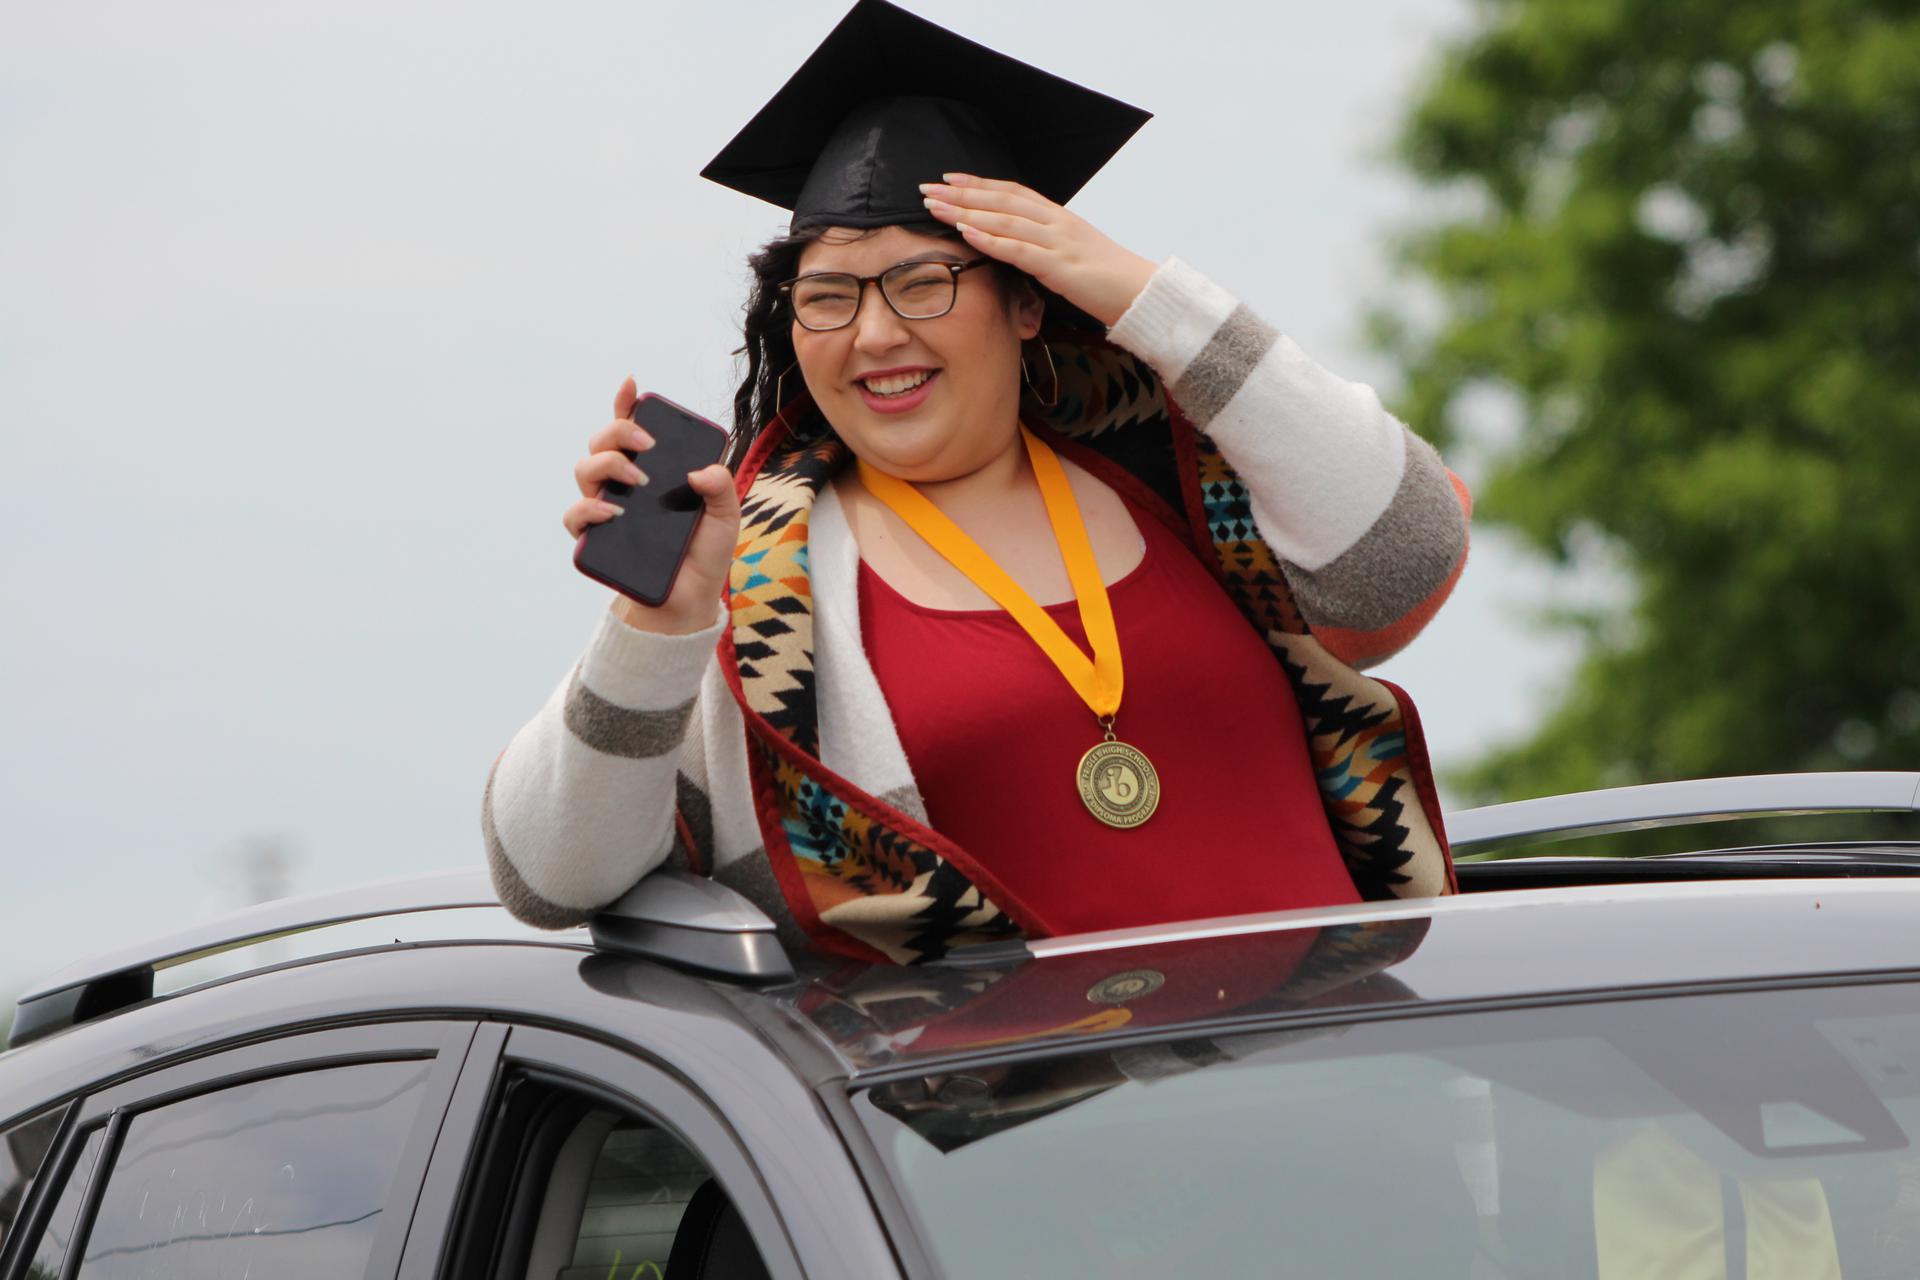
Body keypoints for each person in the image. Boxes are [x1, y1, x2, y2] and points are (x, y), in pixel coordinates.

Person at [483, 0, 1471, 965]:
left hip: (1349, 1083)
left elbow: (1406, 546)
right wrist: (660, 620)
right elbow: (548, 872)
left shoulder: (1179, 482)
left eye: (924, 283)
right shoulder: (758, 592)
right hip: (1026, 1121)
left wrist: (1146, 297)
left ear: (1028, 301)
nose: (874, 335)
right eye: (825, 298)